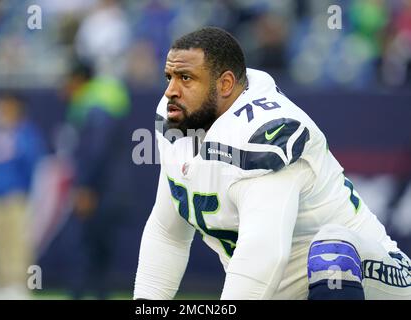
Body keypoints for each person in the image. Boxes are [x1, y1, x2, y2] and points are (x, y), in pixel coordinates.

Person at [133, 27, 411, 300]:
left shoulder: (266, 134)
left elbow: (263, 255)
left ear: (226, 84)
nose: (171, 91)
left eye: (185, 78)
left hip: (375, 279)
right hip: (278, 290)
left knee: (332, 251)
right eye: (169, 77)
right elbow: (168, 233)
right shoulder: (179, 115)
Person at [63, 60, 131, 299]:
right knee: (101, 256)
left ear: (78, 80)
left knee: (85, 251)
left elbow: (95, 151)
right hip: (113, 191)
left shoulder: (94, 108)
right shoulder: (109, 100)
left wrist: (85, 188)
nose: (64, 88)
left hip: (98, 193)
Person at [0, 93, 47, 299]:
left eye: (7, 108)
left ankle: (19, 285)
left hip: (17, 195)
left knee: (18, 243)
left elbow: (34, 161)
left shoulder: (26, 133)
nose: (2, 112)